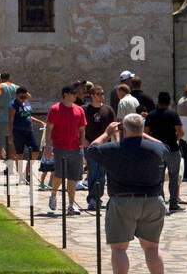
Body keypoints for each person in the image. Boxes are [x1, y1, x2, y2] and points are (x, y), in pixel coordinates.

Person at [86, 113, 169, 274]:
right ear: (142, 129)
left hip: (123, 201)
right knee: (152, 248)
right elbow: (163, 145)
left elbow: (91, 150)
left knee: (119, 248)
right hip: (152, 201)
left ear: (124, 130)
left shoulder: (114, 148)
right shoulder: (156, 149)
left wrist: (107, 133)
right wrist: (142, 134)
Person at [45, 85, 87, 214]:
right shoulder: (55, 109)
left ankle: (71, 204)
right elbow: (49, 128)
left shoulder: (79, 110)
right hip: (59, 147)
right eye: (73, 93)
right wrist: (47, 146)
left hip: (75, 148)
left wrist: (83, 150)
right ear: (66, 94)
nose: (76, 95)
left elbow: (82, 130)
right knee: (59, 174)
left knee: (74, 177)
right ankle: (53, 194)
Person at [145, 92, 185, 213]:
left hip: (157, 150)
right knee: (173, 177)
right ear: (169, 102)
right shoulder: (173, 115)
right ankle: (173, 203)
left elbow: (145, 133)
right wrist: (176, 139)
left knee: (159, 178)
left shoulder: (151, 116)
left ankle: (161, 203)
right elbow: (181, 132)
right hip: (172, 149)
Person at [82, 84, 116, 211]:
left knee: (101, 174)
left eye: (102, 94)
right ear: (91, 96)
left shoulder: (108, 110)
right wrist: (83, 140)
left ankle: (97, 198)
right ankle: (92, 198)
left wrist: (116, 142)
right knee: (93, 171)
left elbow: (114, 128)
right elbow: (79, 127)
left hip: (105, 146)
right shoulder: (84, 109)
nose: (101, 96)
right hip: (90, 145)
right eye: (98, 94)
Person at [8, 86, 45, 184]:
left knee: (36, 151)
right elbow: (11, 120)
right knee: (19, 154)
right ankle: (21, 176)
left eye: (24, 97)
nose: (23, 99)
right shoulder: (13, 105)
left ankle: (27, 172)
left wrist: (39, 121)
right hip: (18, 131)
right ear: (16, 96)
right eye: (21, 97)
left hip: (29, 131)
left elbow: (28, 115)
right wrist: (10, 135)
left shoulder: (26, 102)